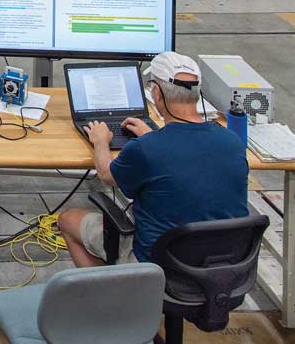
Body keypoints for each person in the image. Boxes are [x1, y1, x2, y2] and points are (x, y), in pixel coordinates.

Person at [58, 52, 249, 266]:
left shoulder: (146, 149)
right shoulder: (232, 141)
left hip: (159, 265)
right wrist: (151, 136)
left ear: (156, 93)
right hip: (224, 266)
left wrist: (101, 141)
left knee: (68, 219)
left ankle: (106, 294)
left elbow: (106, 174)